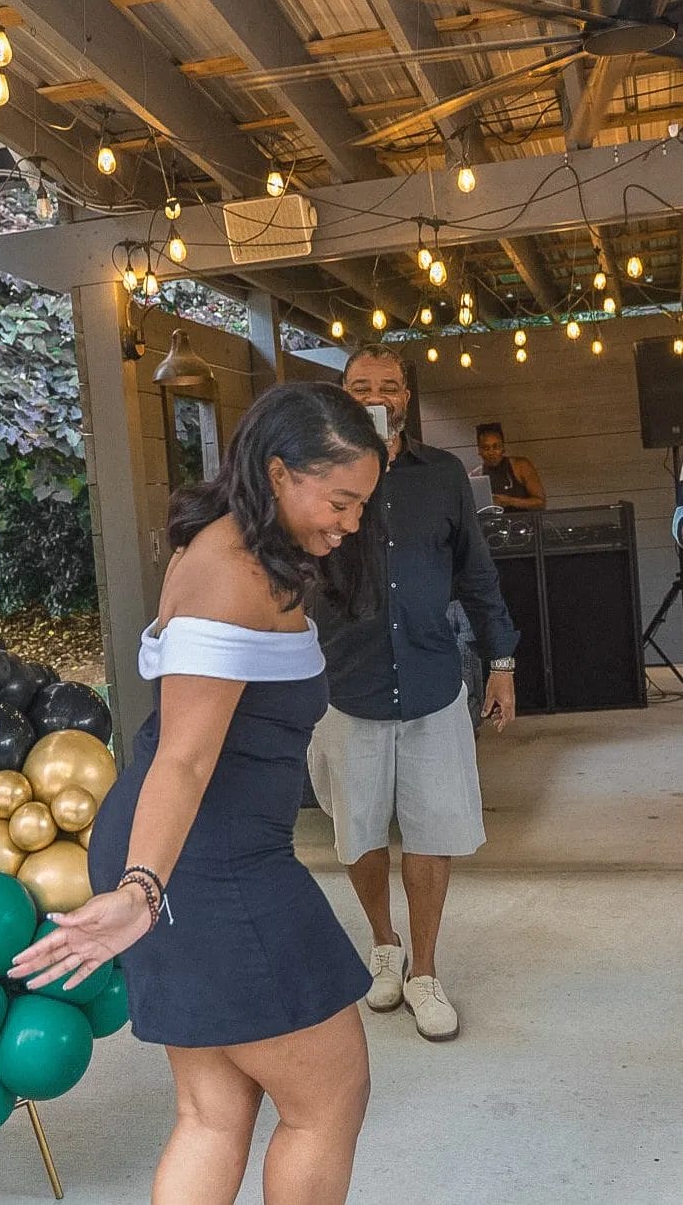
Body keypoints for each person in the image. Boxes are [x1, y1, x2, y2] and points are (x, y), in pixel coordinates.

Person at [11, 382, 386, 1205]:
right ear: (282, 472)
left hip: (197, 854)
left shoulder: (235, 546)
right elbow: (182, 758)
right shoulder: (231, 571)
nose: (351, 522)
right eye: (340, 500)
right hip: (210, 865)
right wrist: (142, 890)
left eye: (362, 505)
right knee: (328, 1101)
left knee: (214, 1111)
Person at [308, 345, 518, 1044]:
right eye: (360, 386)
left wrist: (503, 660)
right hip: (345, 684)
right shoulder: (315, 479)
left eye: (388, 386)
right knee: (358, 832)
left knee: (433, 832)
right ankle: (384, 944)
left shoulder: (444, 475)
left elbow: (477, 573)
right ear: (341, 397)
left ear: (406, 397)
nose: (376, 395)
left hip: (431, 682)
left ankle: (425, 970)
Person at [474, 421, 546, 510]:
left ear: (503, 448)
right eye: (486, 448)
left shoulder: (520, 466)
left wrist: (509, 501)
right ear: (479, 451)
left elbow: (540, 502)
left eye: (496, 447)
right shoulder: (476, 475)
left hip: (523, 521)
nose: (491, 452)